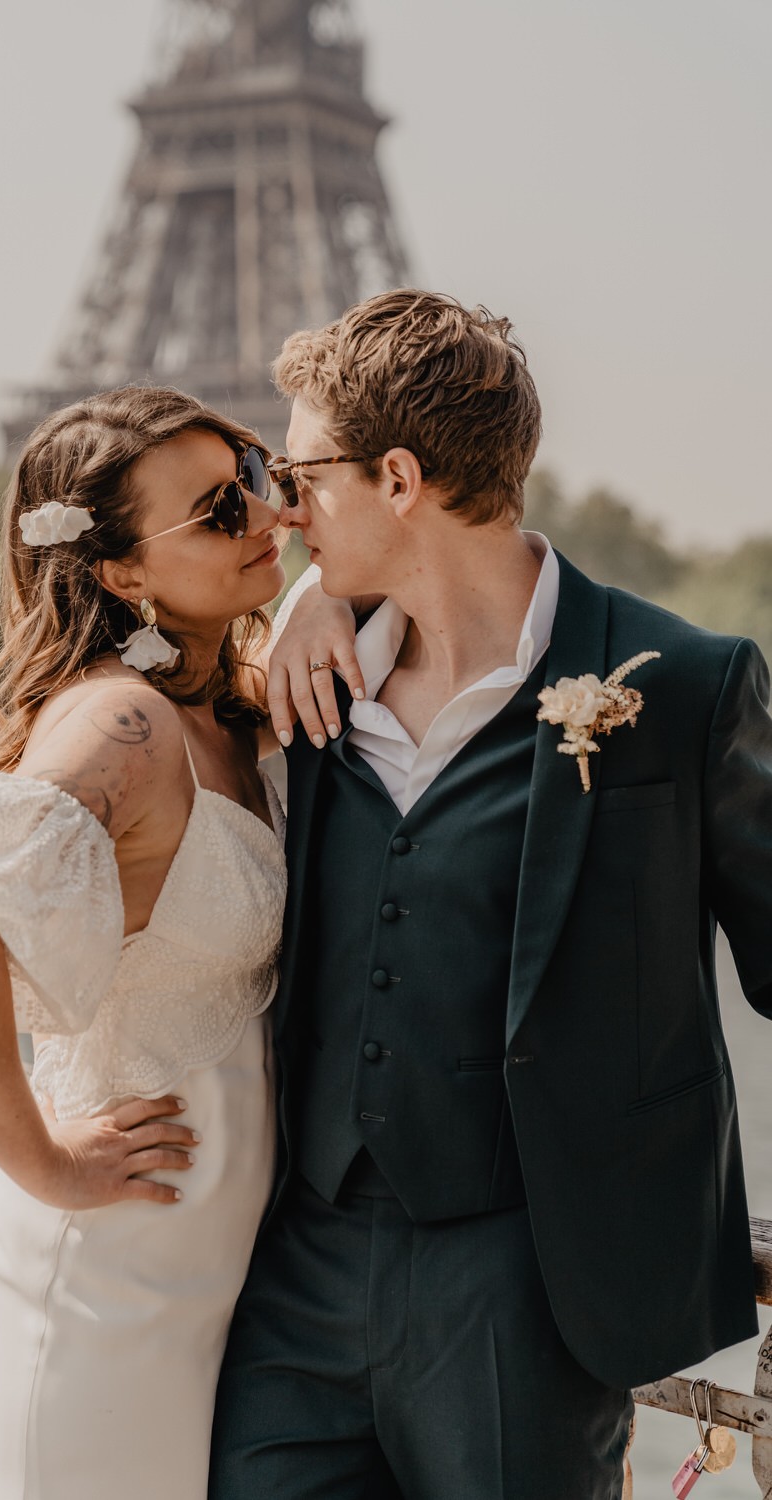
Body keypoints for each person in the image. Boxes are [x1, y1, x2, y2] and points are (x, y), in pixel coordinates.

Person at [209, 288, 772, 1500]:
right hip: (298, 1268)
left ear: (398, 478)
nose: (280, 504)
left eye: (299, 471)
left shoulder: (680, 686)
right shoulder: (308, 684)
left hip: (530, 1287)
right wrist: (311, 592)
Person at [0, 386, 319, 1499]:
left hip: (210, 1274)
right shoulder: (122, 724)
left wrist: (319, 600)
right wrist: (40, 1163)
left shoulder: (220, 707)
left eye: (252, 474)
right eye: (217, 510)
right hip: (109, 1273)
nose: (262, 514)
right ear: (123, 573)